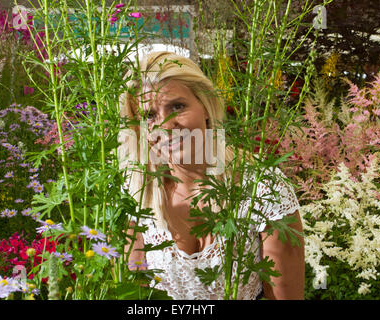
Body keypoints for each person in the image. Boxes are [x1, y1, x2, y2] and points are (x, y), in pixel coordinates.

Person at [118, 51, 304, 300]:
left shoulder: (263, 188)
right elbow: (136, 293)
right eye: (149, 116)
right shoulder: (136, 191)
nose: (165, 125)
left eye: (177, 106)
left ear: (205, 106)